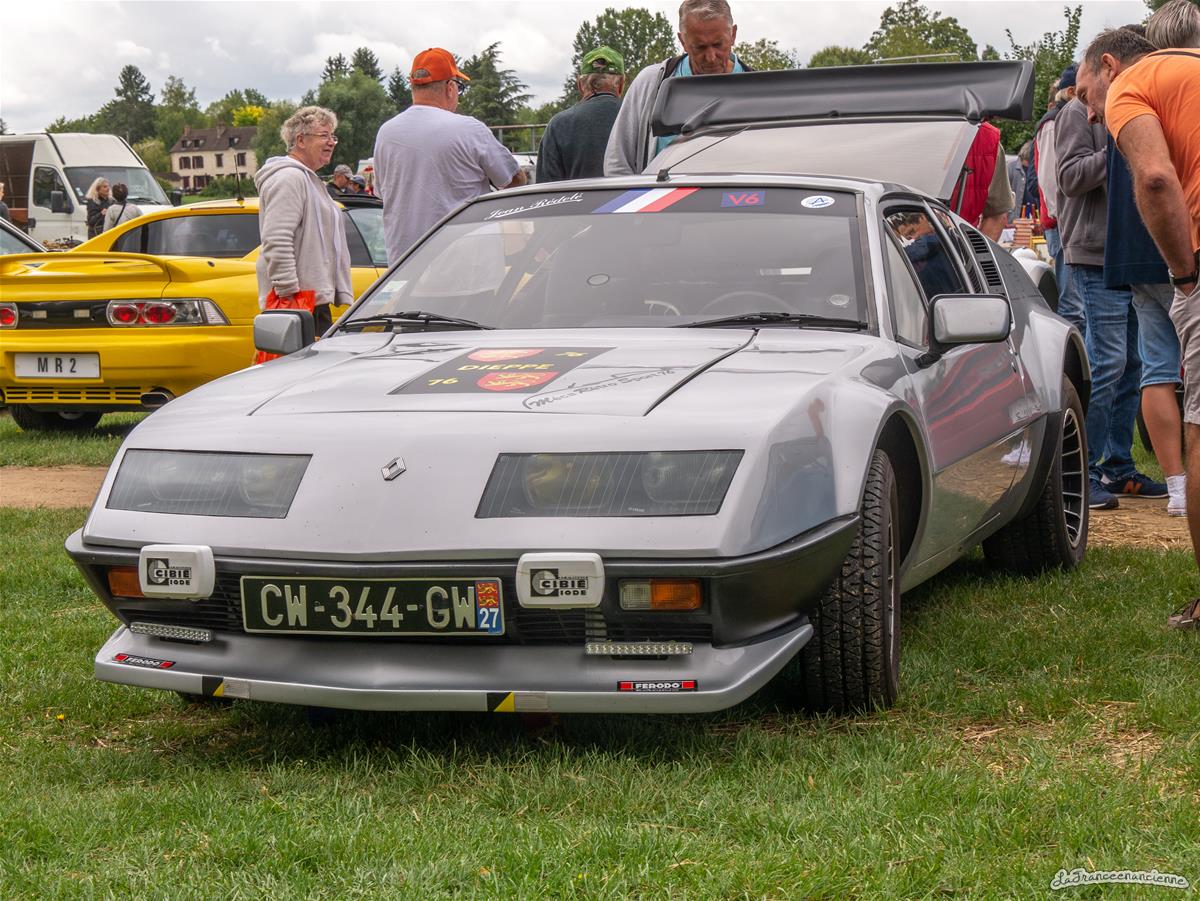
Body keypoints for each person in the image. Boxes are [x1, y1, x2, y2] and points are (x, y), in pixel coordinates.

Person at [1076, 25, 1200, 626]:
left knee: (1195, 419)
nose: (1090, 112)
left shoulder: (1134, 85)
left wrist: (1185, 275)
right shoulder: (1188, 71)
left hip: (1180, 263)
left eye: (1086, 95)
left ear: (1109, 65)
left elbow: (1154, 177)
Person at [1056, 69, 1168, 510]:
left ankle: (1119, 465)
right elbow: (1069, 177)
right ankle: (1079, 471)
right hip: (1094, 254)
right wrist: (1124, 143)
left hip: (1133, 253)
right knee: (1108, 361)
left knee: (1135, 364)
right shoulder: (1076, 112)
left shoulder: (1137, 104)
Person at [373, 47, 526, 264]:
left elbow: (382, 193)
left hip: (405, 266)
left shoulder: (386, 134)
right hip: (467, 266)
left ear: (413, 87)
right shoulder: (469, 129)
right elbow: (514, 180)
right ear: (451, 88)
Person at [604, 0, 750, 176]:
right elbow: (617, 163)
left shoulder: (757, 90)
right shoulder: (650, 83)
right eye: (700, 47)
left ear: (733, 34)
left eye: (718, 44)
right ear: (683, 41)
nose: (711, 57)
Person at [253, 105, 353, 360]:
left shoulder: (308, 179)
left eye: (333, 136)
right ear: (300, 140)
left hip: (310, 301)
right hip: (299, 303)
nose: (331, 142)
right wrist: (290, 295)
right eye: (324, 135)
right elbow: (276, 239)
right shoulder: (289, 178)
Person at [536, 46, 626, 183]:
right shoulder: (640, 120)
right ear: (621, 84)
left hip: (576, 198)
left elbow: (546, 188)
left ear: (580, 84)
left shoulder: (558, 125)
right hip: (634, 198)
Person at [949, 119, 1013, 240]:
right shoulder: (987, 139)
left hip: (959, 243)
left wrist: (972, 249)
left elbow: (996, 214)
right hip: (958, 244)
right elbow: (997, 215)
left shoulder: (987, 139)